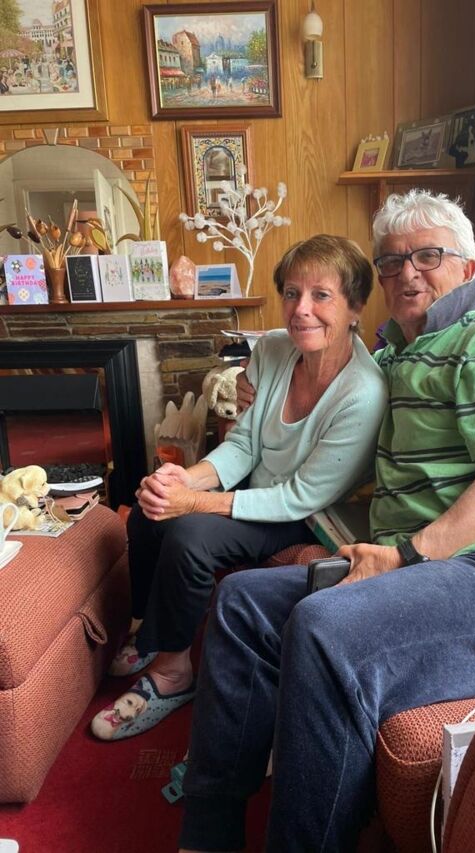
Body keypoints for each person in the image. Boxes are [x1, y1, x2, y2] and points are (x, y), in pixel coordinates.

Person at [178, 189, 475, 852]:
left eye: (428, 256)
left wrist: (408, 554)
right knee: (243, 603)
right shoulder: (388, 363)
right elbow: (311, 388)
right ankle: (207, 835)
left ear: (467, 269)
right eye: (390, 261)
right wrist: (260, 384)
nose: (407, 272)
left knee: (325, 626)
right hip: (439, 574)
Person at [90, 234, 387, 741]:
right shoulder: (272, 349)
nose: (301, 309)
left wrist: (195, 501)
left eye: (321, 295)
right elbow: (245, 445)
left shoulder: (363, 393)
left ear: (355, 307)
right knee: (149, 508)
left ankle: (173, 673)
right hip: (260, 484)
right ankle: (145, 629)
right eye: (291, 293)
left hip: (306, 511)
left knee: (190, 536)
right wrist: (185, 479)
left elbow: (299, 497)